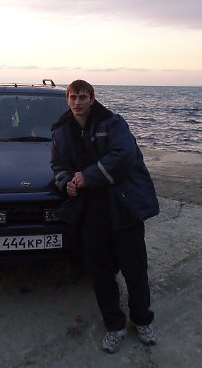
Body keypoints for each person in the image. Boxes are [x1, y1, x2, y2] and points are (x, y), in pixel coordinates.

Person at [51, 79, 160, 354]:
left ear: (92, 98)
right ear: (67, 100)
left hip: (123, 206)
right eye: (73, 97)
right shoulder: (61, 132)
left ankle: (142, 320)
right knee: (99, 270)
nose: (77, 102)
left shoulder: (112, 123)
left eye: (82, 97)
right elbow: (57, 165)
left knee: (135, 268)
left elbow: (124, 155)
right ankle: (114, 325)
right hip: (91, 211)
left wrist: (87, 177)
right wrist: (67, 183)